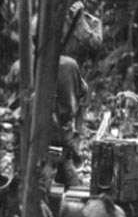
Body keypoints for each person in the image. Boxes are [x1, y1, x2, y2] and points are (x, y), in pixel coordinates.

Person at [6, 56, 87, 187]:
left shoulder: (20, 65)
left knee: (21, 175)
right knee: (67, 167)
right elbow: (83, 91)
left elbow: (10, 87)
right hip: (60, 134)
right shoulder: (70, 65)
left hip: (29, 134)